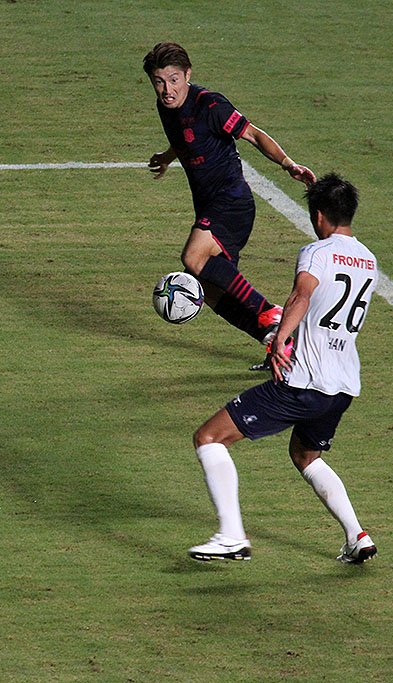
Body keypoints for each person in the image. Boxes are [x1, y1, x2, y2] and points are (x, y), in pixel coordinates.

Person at [186, 173, 378, 564]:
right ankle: (357, 535)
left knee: (209, 438)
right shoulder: (369, 260)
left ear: (319, 215)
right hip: (342, 386)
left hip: (302, 382)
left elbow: (301, 296)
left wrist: (279, 339)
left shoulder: (317, 252)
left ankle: (231, 536)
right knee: (306, 456)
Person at [143, 41, 316, 352]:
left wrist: (288, 164)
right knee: (208, 290)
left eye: (174, 80)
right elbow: (185, 137)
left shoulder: (211, 105)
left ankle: (269, 311)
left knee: (193, 258)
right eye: (159, 82)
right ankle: (276, 343)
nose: (167, 90)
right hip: (208, 206)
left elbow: (254, 134)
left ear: (187, 75)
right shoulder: (165, 107)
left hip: (232, 202)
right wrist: (168, 157)